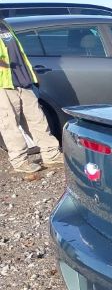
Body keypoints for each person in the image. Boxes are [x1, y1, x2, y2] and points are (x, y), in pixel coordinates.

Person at [0, 19, 62, 174]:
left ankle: (51, 155)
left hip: (23, 80)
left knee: (38, 119)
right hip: (4, 84)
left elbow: (18, 53)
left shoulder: (4, 24)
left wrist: (32, 76)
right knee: (10, 125)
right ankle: (20, 161)